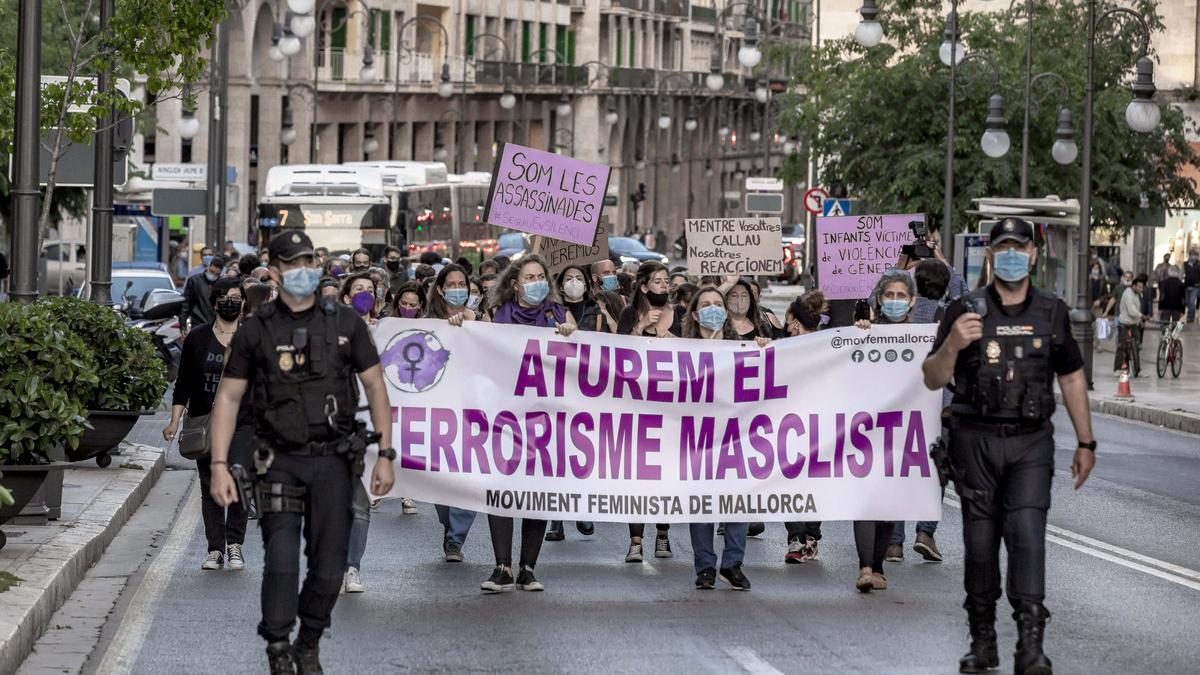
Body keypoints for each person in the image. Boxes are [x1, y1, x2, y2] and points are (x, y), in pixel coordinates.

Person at [206, 229, 396, 674]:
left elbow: (375, 387)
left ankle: (308, 640)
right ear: (275, 270)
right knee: (282, 559)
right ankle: (277, 645)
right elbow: (229, 398)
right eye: (292, 263)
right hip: (278, 461)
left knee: (331, 564)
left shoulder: (346, 323)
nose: (302, 271)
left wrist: (386, 453)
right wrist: (218, 465)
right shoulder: (255, 330)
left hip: (333, 460)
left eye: (309, 261)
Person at [923, 217, 1095, 675]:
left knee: (1027, 537)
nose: (1013, 255)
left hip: (1030, 443)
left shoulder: (1051, 311)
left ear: (1034, 255)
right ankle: (983, 641)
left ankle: (1030, 645)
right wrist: (953, 346)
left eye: (1020, 247)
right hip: (975, 441)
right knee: (980, 545)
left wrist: (1086, 441)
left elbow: (1073, 376)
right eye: (1003, 248)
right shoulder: (964, 309)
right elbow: (932, 377)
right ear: (991, 255)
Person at [471, 254, 576, 593]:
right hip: (504, 416)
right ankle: (502, 566)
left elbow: (582, 362)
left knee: (537, 490)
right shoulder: (494, 316)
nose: (536, 283)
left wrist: (571, 335)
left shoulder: (560, 316)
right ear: (514, 284)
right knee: (500, 486)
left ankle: (528, 568)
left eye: (540, 277)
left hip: (546, 419)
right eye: (529, 278)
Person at [163, 277, 249, 571]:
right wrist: (174, 421)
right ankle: (215, 549)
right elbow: (183, 383)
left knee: (238, 481)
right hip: (205, 422)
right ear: (214, 303)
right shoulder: (198, 338)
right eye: (224, 297)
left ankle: (235, 544)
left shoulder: (253, 336)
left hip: (244, 423)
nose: (230, 302)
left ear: (244, 303)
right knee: (211, 485)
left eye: (236, 297)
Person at [849, 269, 918, 592]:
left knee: (890, 503)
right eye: (888, 295)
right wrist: (858, 332)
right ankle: (864, 566)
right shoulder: (865, 333)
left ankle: (878, 567)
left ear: (912, 301)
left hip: (905, 432)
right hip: (867, 430)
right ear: (879, 299)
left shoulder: (924, 338)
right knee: (865, 499)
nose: (894, 301)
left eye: (900, 296)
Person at [681, 286, 753, 591]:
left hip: (735, 437)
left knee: (738, 500)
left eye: (718, 304)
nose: (713, 308)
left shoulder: (742, 348)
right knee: (701, 504)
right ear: (696, 315)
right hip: (697, 438)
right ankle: (706, 566)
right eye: (706, 304)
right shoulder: (679, 352)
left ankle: (732, 563)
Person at [615, 261, 681, 561]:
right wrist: (640, 329)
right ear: (643, 287)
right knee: (637, 476)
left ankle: (663, 535)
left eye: (666, 281)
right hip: (637, 407)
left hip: (671, 407)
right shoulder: (629, 314)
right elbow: (616, 356)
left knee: (666, 473)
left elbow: (699, 352)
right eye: (658, 282)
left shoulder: (678, 314)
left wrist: (676, 341)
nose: (664, 287)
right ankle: (636, 540)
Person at [423, 264, 483, 562]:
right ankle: (449, 525)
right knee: (440, 478)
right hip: (438, 410)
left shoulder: (481, 321)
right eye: (453, 283)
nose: (458, 288)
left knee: (466, 475)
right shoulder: (428, 322)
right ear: (442, 288)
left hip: (473, 410)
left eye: (463, 283)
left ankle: (455, 540)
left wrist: (477, 325)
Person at [338, 272, 381, 594]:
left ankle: (352, 568)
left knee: (360, 504)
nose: (365, 294)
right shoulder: (331, 333)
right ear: (346, 298)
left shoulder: (389, 332)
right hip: (335, 425)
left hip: (369, 427)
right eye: (359, 290)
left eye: (370, 290)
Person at [780, 290, 827, 564]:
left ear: (795, 322)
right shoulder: (782, 348)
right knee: (803, 481)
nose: (786, 327)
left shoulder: (828, 345)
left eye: (788, 322)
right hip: (795, 423)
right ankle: (804, 537)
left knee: (802, 481)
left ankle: (803, 536)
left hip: (812, 423)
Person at [180, 254, 225, 333]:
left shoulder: (221, 284)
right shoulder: (194, 281)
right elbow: (186, 303)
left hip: (216, 325)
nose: (213, 275)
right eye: (212, 272)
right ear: (208, 267)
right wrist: (182, 324)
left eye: (216, 274)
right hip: (198, 323)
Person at [1114, 273, 1147, 374]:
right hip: (1124, 323)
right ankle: (1117, 369)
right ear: (1134, 286)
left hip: (1134, 323)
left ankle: (1137, 370)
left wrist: (1139, 320)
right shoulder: (1128, 294)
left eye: (1142, 287)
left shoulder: (1137, 294)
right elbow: (1131, 310)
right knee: (1122, 346)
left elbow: (1137, 308)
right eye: (1139, 287)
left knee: (1136, 347)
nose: (1141, 289)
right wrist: (1141, 316)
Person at [1184, 247, 1200, 323]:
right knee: (1187, 302)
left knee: (1192, 302)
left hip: (1196, 286)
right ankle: (1191, 315)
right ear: (1189, 255)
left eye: (1196, 255)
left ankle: (1190, 317)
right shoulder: (1185, 264)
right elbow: (1181, 274)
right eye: (1193, 255)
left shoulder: (1199, 264)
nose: (1194, 257)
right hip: (1187, 285)